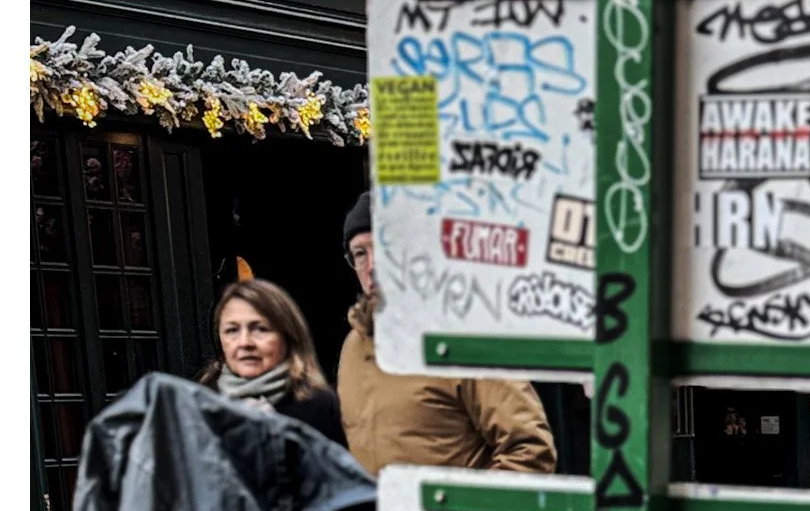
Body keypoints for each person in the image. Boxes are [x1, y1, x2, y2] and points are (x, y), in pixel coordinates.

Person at [337, 194, 557, 476]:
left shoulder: (463, 334)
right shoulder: (353, 347)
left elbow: (530, 451)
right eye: (360, 253)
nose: (373, 266)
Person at [200, 280, 346, 444]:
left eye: (260, 329)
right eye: (232, 330)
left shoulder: (318, 406)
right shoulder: (201, 404)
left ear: (288, 336)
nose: (245, 342)